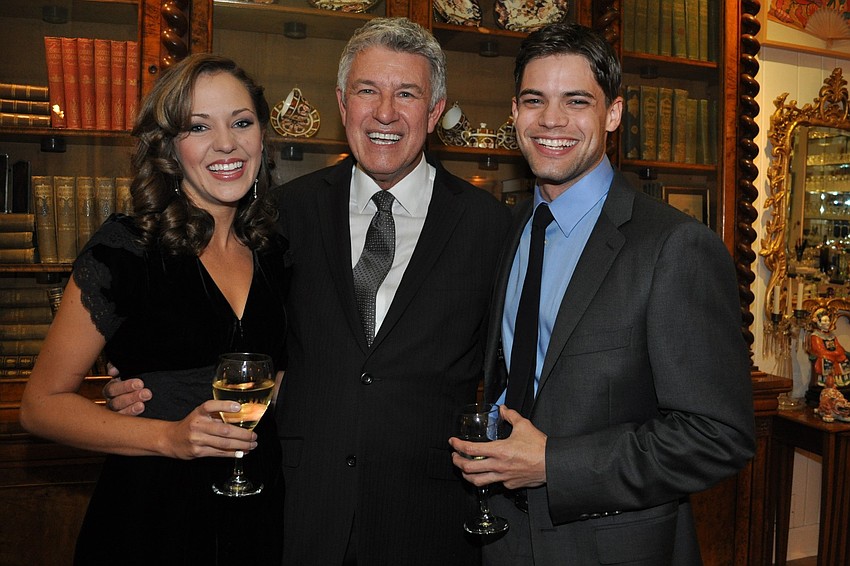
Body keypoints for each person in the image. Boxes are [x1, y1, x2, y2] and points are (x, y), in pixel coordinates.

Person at [104, 17, 512, 565]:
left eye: (407, 93)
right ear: (343, 103)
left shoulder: (494, 227)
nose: (385, 112)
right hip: (296, 512)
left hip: (430, 517)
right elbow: (232, 327)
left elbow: (516, 367)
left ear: (435, 112)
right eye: (368, 91)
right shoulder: (277, 215)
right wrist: (148, 385)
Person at [449, 22, 756, 565]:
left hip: (612, 548)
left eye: (577, 101)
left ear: (613, 114)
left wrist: (553, 464)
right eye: (534, 100)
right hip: (501, 538)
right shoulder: (515, 228)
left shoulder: (676, 247)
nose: (551, 120)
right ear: (514, 112)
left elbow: (717, 437)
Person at [20, 53, 288, 565]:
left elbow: (284, 380)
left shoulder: (274, 253)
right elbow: (40, 404)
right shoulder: (127, 249)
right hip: (153, 518)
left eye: (241, 122)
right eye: (198, 126)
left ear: (261, 136)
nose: (226, 143)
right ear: (169, 146)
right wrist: (167, 436)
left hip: (257, 512)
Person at [808, 307, 850, 388]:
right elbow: (819, 350)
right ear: (818, 323)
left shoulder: (831, 335)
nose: (827, 323)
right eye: (824, 321)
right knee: (826, 360)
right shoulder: (816, 336)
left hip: (834, 355)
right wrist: (833, 354)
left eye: (828, 320)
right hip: (824, 356)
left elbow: (838, 346)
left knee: (844, 358)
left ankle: (841, 381)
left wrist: (838, 352)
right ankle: (825, 382)